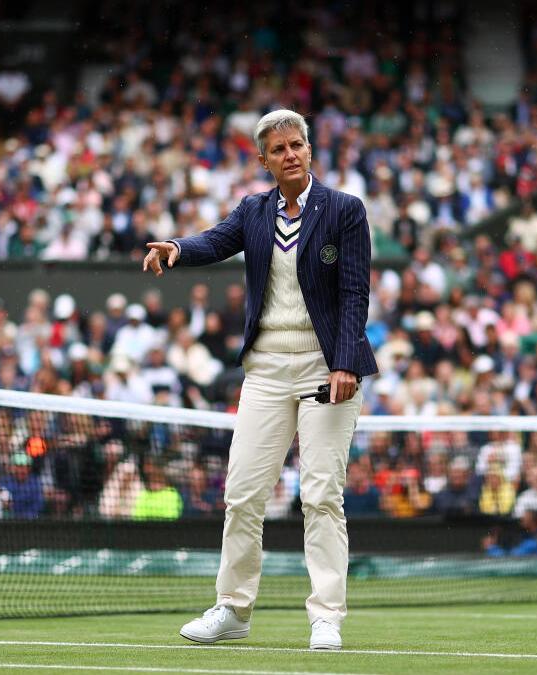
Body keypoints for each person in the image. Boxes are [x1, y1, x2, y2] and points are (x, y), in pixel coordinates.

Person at [145, 109, 376, 651]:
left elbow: (355, 292)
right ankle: (233, 608)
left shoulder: (345, 209)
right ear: (264, 160)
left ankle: (326, 616)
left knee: (321, 494)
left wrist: (344, 361)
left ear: (310, 149)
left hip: (328, 368)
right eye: (279, 149)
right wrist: (177, 249)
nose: (290, 154)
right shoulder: (253, 210)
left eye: (297, 144)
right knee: (243, 493)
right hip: (266, 370)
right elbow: (214, 240)